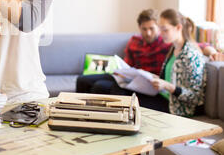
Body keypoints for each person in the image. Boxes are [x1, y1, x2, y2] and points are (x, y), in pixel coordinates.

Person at [76, 9, 217, 95]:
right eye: (144, 29)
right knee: (82, 80)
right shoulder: (134, 42)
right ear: (139, 27)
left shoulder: (167, 42)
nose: (148, 33)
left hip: (149, 83)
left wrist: (211, 50)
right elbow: (126, 66)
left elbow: (194, 45)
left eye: (152, 28)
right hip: (130, 77)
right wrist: (121, 72)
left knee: (100, 86)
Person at [111, 9, 206, 117]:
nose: (161, 33)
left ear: (178, 28)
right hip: (163, 97)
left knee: (127, 103)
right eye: (160, 29)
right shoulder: (173, 50)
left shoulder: (191, 56)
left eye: (165, 30)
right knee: (119, 88)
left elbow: (195, 98)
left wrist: (168, 86)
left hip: (177, 107)